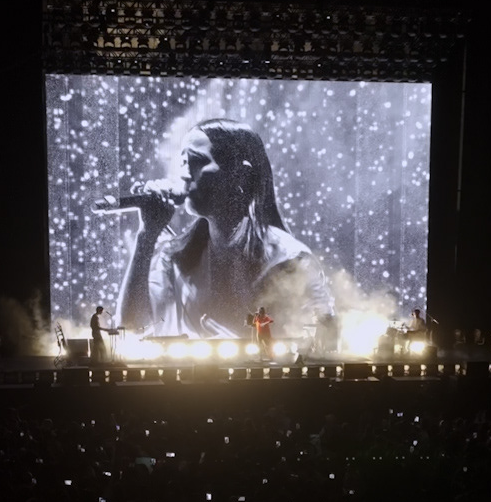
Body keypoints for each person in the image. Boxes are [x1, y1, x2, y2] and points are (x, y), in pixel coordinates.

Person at [113, 119, 333, 339]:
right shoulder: (175, 258)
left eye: (198, 161)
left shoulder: (289, 261)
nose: (185, 174)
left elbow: (324, 339)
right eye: (183, 162)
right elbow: (131, 330)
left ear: (242, 175)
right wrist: (147, 235)